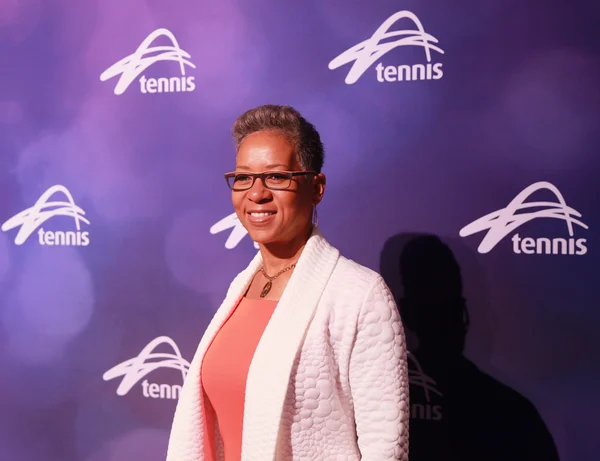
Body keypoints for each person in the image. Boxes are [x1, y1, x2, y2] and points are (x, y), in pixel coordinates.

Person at [166, 104, 409, 461]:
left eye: (277, 177)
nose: (257, 193)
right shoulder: (241, 287)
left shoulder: (359, 294)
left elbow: (385, 449)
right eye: (243, 177)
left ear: (316, 187)